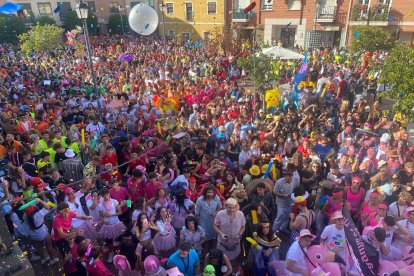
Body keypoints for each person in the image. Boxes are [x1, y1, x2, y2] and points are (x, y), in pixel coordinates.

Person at [97, 188, 127, 263]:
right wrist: (103, 219)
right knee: (109, 241)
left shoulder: (115, 202)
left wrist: (111, 214)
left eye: (107, 195)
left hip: (116, 223)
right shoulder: (100, 205)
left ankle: (122, 252)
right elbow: (101, 217)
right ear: (101, 196)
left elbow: (120, 212)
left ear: (109, 194)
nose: (106, 197)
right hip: (107, 226)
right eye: (104, 196)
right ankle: (111, 253)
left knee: (120, 238)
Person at [195, 184, 222, 251]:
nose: (209, 194)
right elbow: (197, 213)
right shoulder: (200, 200)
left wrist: (216, 213)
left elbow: (220, 208)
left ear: (214, 192)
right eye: (208, 192)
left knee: (213, 240)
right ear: (205, 192)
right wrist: (197, 224)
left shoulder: (217, 198)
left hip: (213, 223)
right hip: (203, 223)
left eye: (211, 192)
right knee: (204, 240)